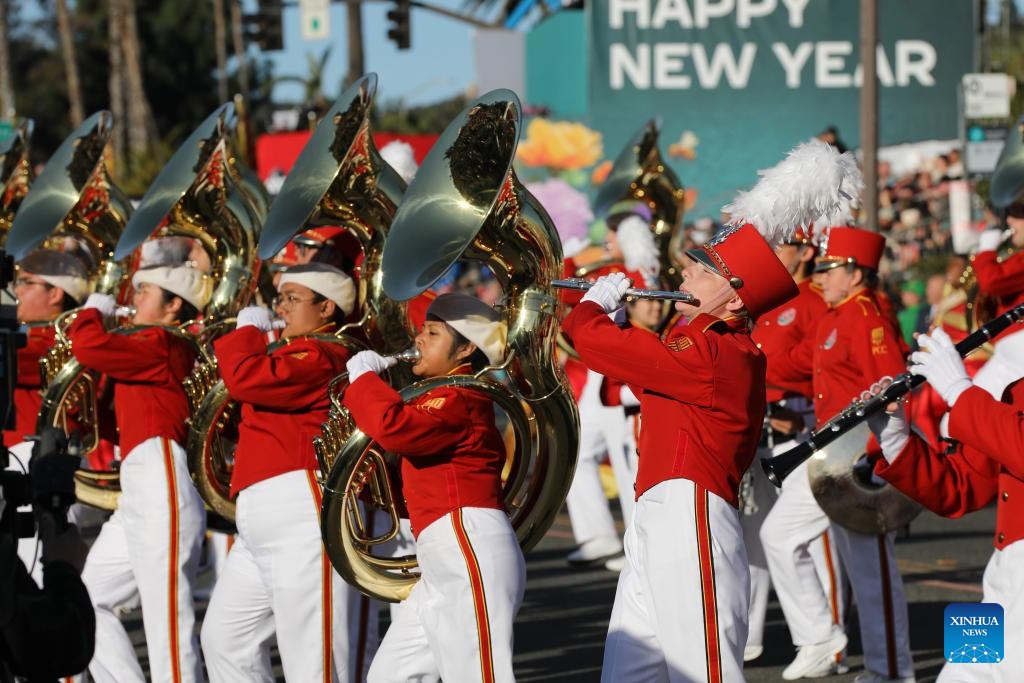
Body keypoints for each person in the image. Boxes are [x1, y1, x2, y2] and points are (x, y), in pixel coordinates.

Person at [563, 221, 799, 682]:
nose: (683, 277)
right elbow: (641, 377)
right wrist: (610, 322)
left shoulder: (717, 348)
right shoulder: (705, 346)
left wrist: (590, 310)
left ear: (733, 297)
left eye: (700, 272)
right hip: (660, 513)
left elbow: (599, 344)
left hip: (690, 513)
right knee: (629, 672)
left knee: (703, 671)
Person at [201, 262, 371, 682]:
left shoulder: (325, 352)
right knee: (224, 639)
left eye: (292, 299)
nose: (281, 308)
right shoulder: (294, 349)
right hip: (260, 515)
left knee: (316, 661)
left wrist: (246, 334)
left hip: (301, 510)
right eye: (280, 298)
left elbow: (245, 378)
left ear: (327, 307)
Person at [343, 293, 523, 683]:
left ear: (466, 348)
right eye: (423, 329)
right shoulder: (437, 397)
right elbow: (423, 479)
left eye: (433, 332)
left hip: (466, 543)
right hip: (444, 552)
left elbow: (395, 429)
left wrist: (363, 381)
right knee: (390, 677)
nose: (419, 339)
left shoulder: (460, 395)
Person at [773, 227, 915, 683]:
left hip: (857, 453)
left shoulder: (867, 316)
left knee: (870, 569)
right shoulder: (834, 315)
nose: (822, 275)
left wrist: (877, 458)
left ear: (855, 273)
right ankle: (821, 637)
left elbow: (892, 389)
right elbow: (792, 363)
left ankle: (891, 671)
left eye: (829, 269)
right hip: (828, 451)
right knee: (779, 535)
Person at [68, 264, 210, 683]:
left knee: (168, 622)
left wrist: (90, 313)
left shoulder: (163, 342)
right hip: (138, 484)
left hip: (160, 478)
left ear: (172, 306)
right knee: (88, 597)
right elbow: (110, 419)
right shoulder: (145, 344)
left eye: (144, 291)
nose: (132, 300)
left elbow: (88, 346)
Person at [868, 327, 1022, 682]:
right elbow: (963, 487)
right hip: (1002, 570)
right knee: (957, 673)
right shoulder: (1017, 383)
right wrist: (895, 439)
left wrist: (961, 392)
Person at [744, 228, 847, 673]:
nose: (772, 252)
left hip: (802, 426)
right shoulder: (768, 300)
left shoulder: (815, 300)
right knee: (757, 537)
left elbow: (820, 361)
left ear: (806, 251)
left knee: (814, 540)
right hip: (763, 430)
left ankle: (831, 639)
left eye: (781, 244)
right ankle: (747, 637)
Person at [560, 200, 661, 568]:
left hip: (613, 371)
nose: (606, 241)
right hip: (600, 375)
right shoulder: (635, 267)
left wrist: (571, 260)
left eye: (613, 234)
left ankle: (635, 543)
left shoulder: (620, 269)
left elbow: (569, 293)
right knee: (582, 453)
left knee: (626, 462)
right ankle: (600, 535)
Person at [4, 250, 89, 582]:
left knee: (36, 575)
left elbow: (17, 360)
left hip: (43, 463)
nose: (16, 290)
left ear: (55, 293)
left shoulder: (58, 343)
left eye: (25, 283)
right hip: (20, 462)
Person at [969, 216, 1024, 398]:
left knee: (971, 411)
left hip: (1018, 344)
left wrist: (986, 251)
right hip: (1008, 345)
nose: (1009, 220)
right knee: (959, 415)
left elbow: (993, 281)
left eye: (1018, 215)